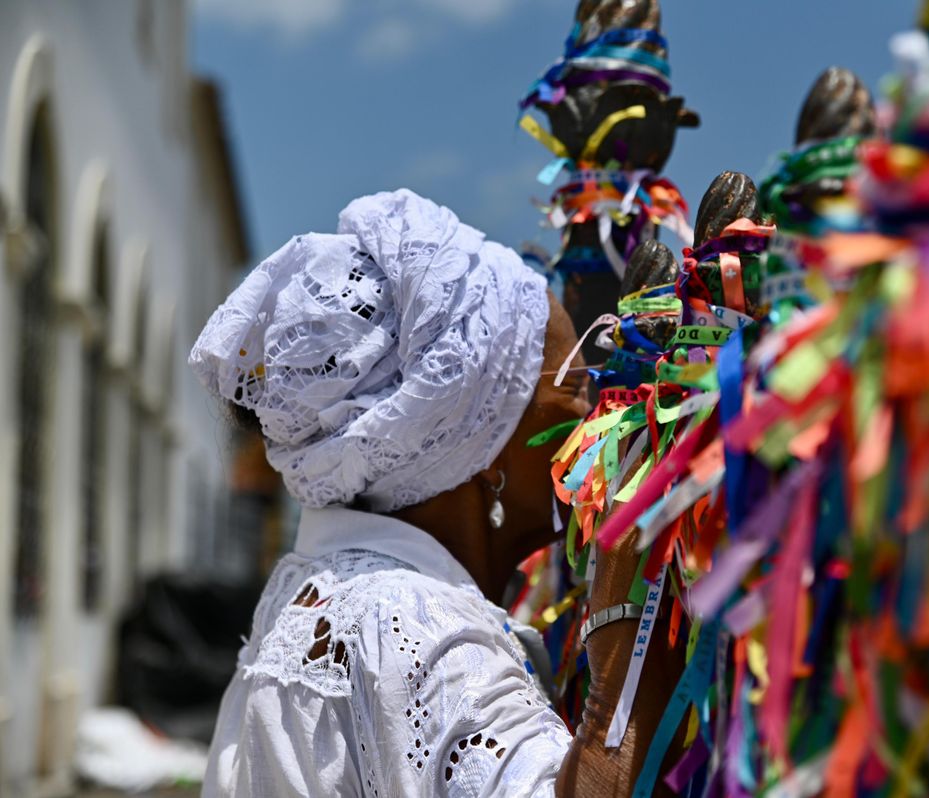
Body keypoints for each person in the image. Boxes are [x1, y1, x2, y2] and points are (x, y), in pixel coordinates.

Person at [191, 189, 680, 797]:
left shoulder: (341, 593)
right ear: (482, 451)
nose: (599, 414)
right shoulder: (407, 626)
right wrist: (627, 618)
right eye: (575, 386)